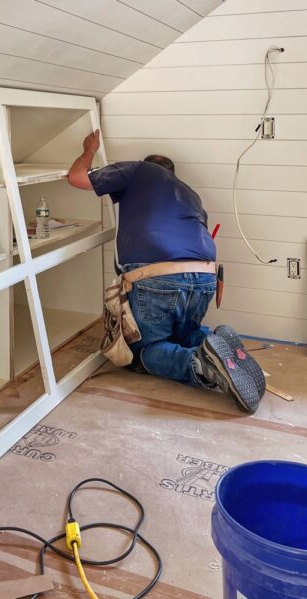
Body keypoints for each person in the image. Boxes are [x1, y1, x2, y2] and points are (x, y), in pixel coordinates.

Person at [67, 130, 265, 414]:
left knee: (145, 351)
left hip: (158, 276)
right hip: (206, 276)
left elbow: (76, 178)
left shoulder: (136, 169)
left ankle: (202, 366)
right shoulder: (190, 194)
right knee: (184, 333)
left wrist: (88, 150)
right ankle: (214, 345)